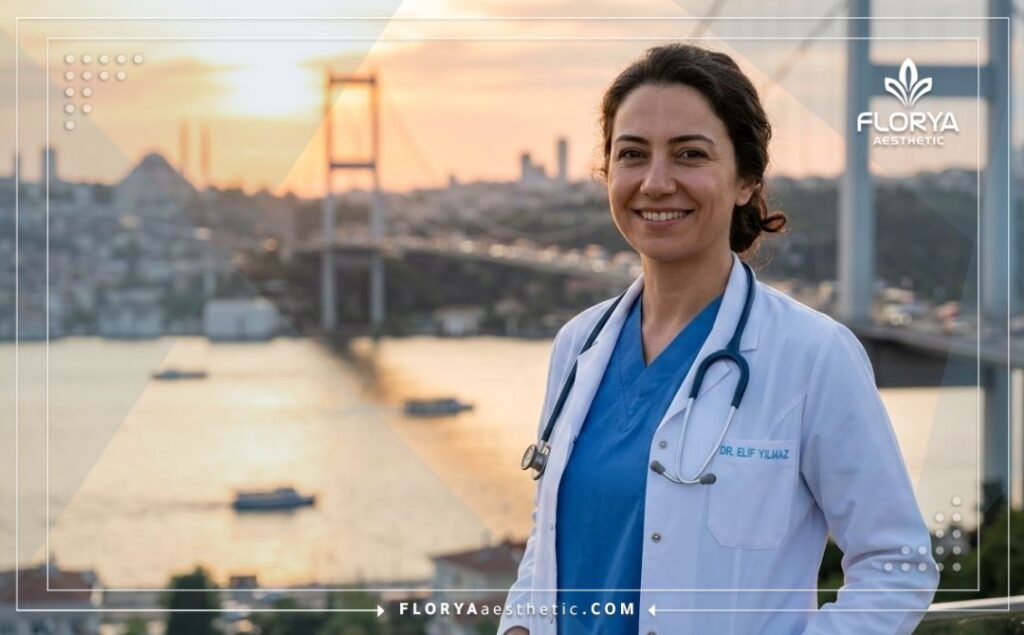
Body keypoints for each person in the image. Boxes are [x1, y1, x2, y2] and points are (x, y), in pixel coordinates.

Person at [498, 43, 938, 635]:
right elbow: (548, 543)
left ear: (745, 181)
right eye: (632, 154)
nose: (656, 182)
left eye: (690, 154)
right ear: (607, 174)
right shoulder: (578, 346)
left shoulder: (813, 357)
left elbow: (898, 564)